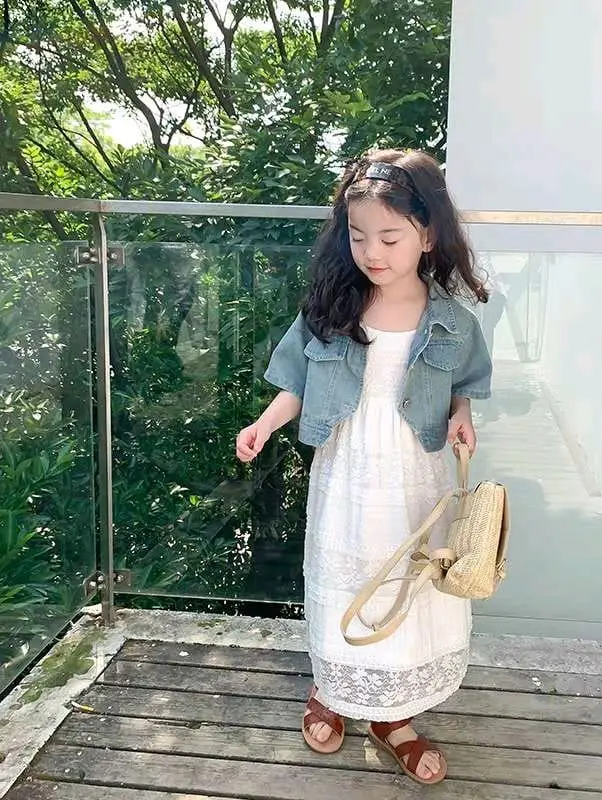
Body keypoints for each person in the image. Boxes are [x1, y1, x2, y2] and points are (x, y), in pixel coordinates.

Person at [235, 148, 492, 785]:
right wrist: (265, 424)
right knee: (345, 578)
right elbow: (296, 381)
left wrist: (462, 415)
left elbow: (465, 385)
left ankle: (393, 715)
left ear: (427, 235)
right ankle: (333, 689)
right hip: (347, 470)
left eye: (389, 237)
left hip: (416, 473)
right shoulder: (331, 309)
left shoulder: (453, 322)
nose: (371, 251)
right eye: (357, 236)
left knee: (407, 581)